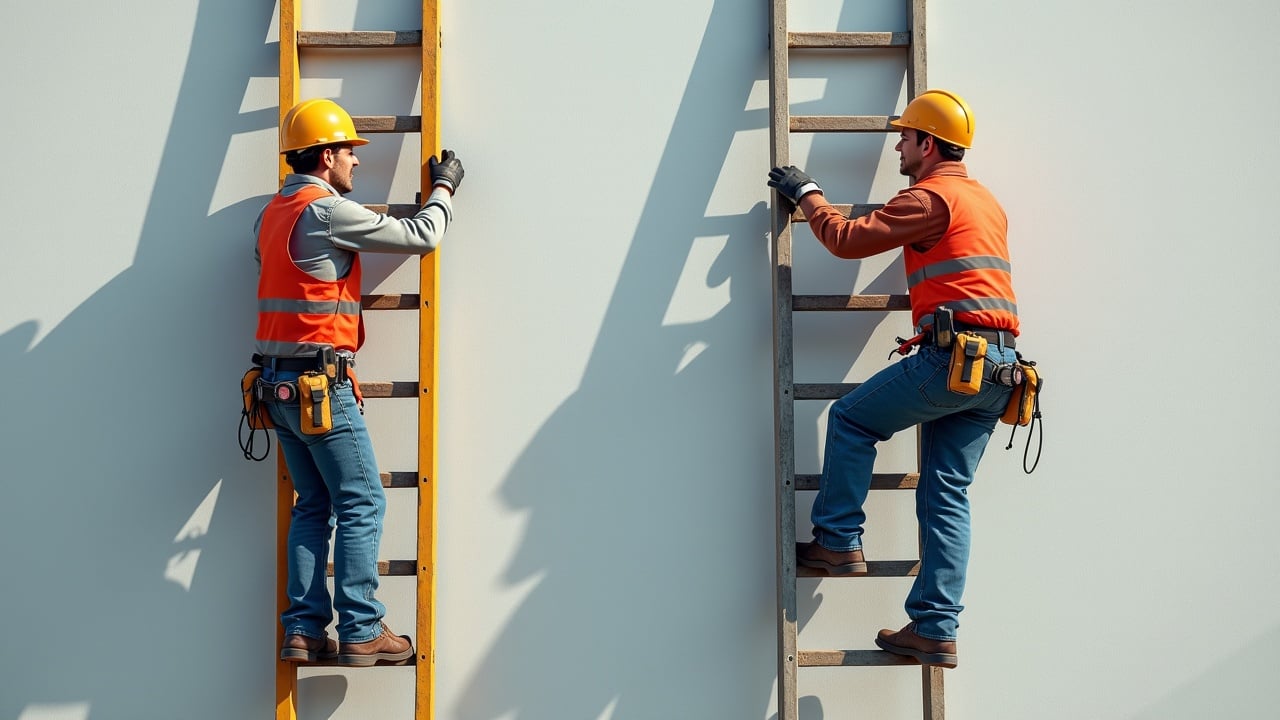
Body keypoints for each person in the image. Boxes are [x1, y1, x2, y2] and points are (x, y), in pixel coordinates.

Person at [767, 89, 1019, 669]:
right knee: (946, 493)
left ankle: (836, 540)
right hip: (999, 370)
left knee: (853, 418)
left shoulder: (930, 197)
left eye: (905, 137)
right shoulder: (985, 201)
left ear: (928, 144)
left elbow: (847, 240)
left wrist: (806, 194)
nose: (899, 146)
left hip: (955, 359)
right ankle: (934, 628)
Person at [253, 98, 464, 666]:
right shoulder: (325, 211)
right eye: (349, 151)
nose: (355, 162)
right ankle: (363, 628)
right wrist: (443, 189)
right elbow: (420, 236)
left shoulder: (272, 213)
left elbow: (300, 293)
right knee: (364, 500)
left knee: (313, 504)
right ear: (326, 156)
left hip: (277, 389)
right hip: (321, 388)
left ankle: (302, 629)